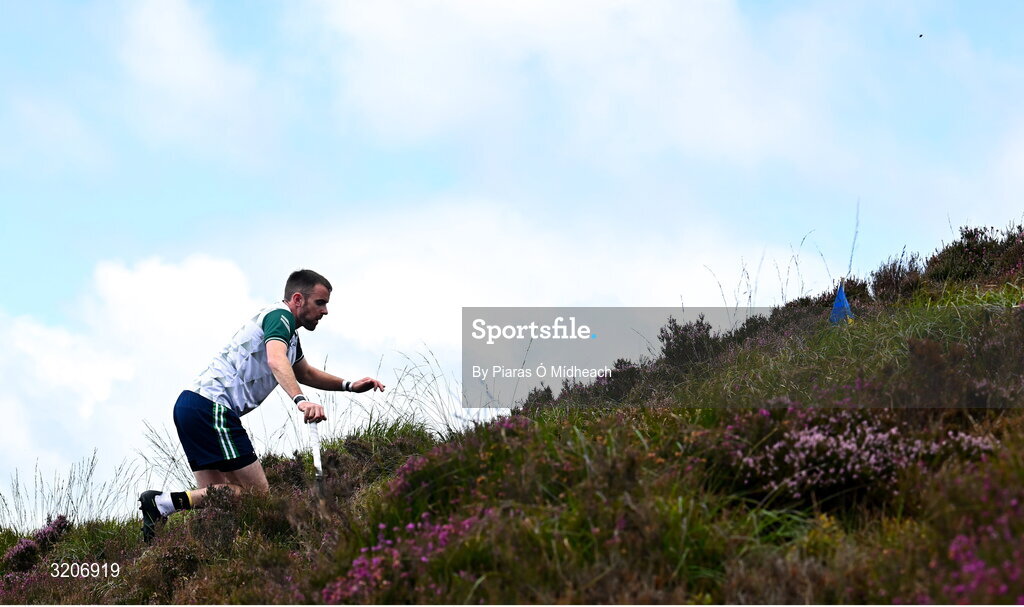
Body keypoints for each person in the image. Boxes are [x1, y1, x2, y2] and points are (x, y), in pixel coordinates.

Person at [139, 269, 385, 542]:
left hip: (191, 406)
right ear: (297, 299)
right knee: (257, 495)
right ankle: (162, 504)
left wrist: (349, 385)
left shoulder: (288, 333)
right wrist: (301, 402)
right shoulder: (279, 317)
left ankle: (184, 533)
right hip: (213, 408)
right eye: (320, 303)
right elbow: (276, 361)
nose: (325, 311)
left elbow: (303, 371)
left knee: (219, 504)